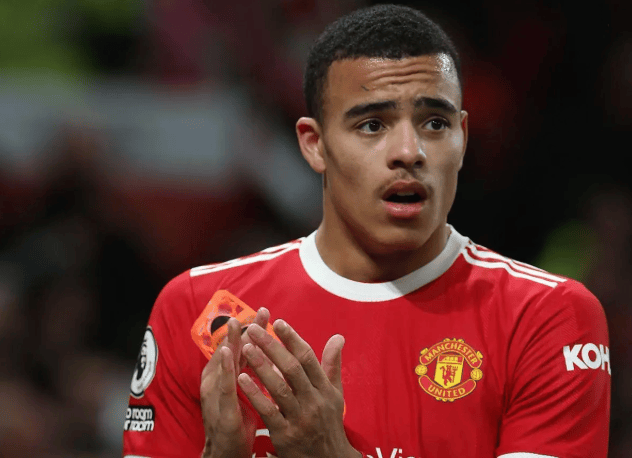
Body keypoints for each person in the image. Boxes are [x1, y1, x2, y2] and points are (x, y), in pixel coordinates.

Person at [122, 4, 610, 458]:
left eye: (435, 123)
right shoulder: (198, 307)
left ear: (463, 139)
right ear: (314, 145)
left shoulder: (547, 317)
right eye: (373, 125)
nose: (409, 151)